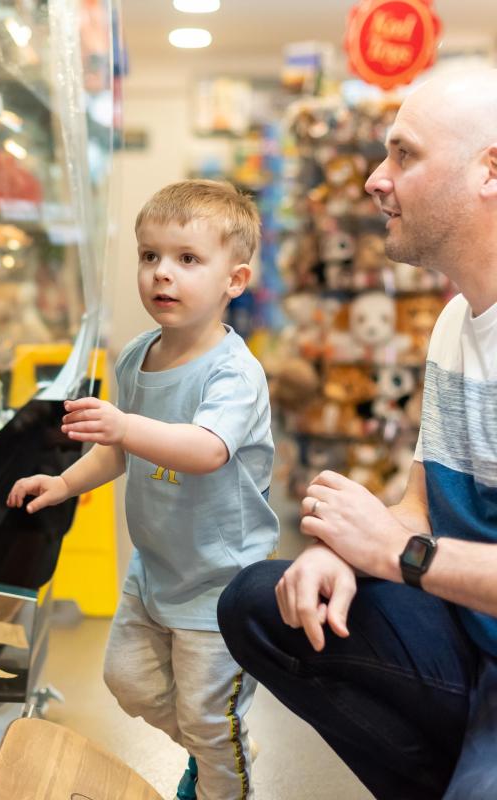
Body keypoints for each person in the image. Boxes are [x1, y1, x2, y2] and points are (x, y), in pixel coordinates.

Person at [217, 69, 497, 800]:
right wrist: (350, 555)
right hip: (477, 638)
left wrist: (398, 554)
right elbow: (425, 497)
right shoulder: (456, 321)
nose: (376, 179)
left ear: (490, 171)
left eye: (404, 155)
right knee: (260, 600)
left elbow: (412, 540)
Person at [8, 179, 279, 800]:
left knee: (210, 718)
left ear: (233, 281)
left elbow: (208, 450)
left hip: (222, 580)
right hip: (154, 569)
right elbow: (118, 452)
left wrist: (125, 424)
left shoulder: (234, 373)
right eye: (150, 256)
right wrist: (65, 482)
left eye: (187, 259)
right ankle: (218, 746)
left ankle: (218, 773)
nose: (162, 274)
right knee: (128, 680)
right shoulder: (136, 357)